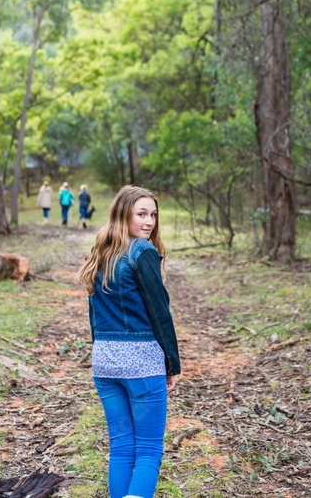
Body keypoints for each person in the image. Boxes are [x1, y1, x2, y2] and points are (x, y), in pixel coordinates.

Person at [77, 185, 181, 498]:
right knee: (148, 450)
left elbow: (95, 316)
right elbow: (160, 313)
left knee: (122, 447)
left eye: (153, 214)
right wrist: (171, 364)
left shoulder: (101, 253)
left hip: (105, 362)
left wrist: (101, 353)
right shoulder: (142, 252)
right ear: (124, 215)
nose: (149, 221)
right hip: (141, 361)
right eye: (142, 214)